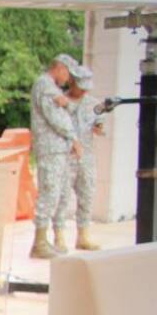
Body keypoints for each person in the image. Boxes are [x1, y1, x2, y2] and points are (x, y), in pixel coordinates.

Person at [29, 53, 82, 259]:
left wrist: (67, 104)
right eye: (68, 74)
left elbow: (66, 110)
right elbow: (56, 118)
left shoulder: (51, 87)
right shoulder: (45, 85)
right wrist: (73, 138)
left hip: (57, 149)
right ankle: (39, 243)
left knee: (58, 192)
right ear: (59, 68)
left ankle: (44, 240)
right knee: (49, 192)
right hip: (50, 149)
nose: (68, 80)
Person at [52, 66, 104, 253]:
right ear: (72, 81)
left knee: (87, 195)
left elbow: (99, 123)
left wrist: (99, 126)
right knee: (63, 197)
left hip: (86, 156)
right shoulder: (59, 101)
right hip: (66, 156)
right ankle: (58, 235)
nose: (84, 90)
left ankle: (83, 236)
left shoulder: (93, 103)